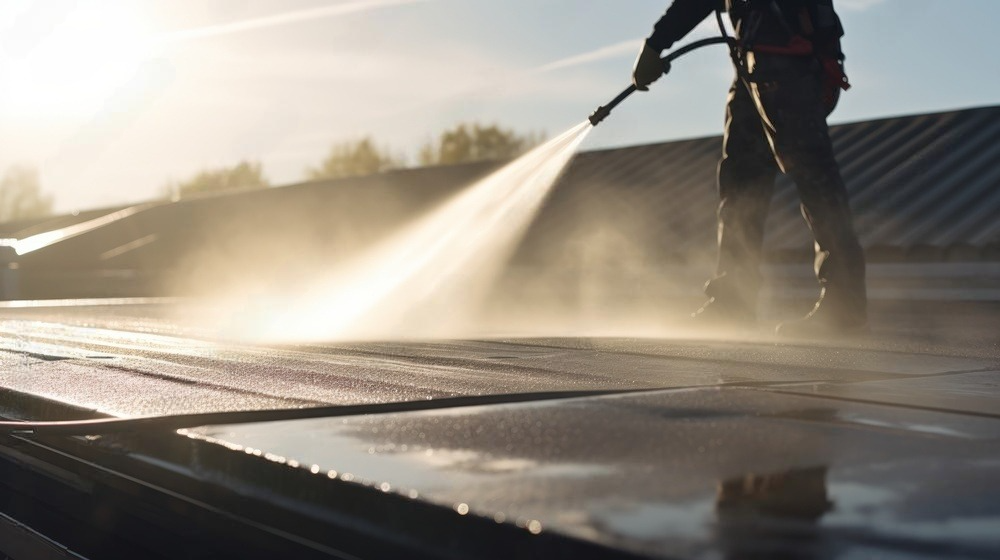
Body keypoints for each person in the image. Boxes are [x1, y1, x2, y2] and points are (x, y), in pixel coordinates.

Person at [632, 0, 867, 337]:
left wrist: (657, 43)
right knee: (741, 185)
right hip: (756, 62)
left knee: (813, 174)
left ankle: (845, 307)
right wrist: (657, 43)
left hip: (790, 58)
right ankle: (732, 303)